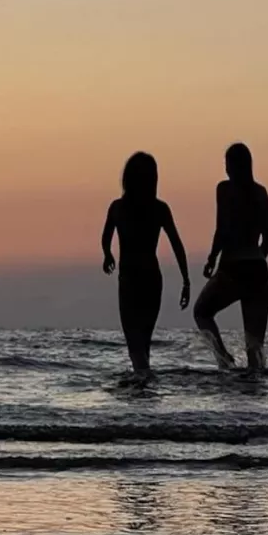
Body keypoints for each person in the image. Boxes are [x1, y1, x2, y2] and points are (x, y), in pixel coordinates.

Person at [102, 152, 191, 374]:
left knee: (135, 343)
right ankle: (145, 393)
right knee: (144, 342)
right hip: (152, 279)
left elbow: (105, 238)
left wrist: (108, 255)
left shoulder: (118, 207)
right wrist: (186, 280)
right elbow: (177, 246)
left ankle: (142, 386)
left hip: (131, 280)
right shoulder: (159, 208)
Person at [194, 143, 268, 370]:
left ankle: (223, 357)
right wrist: (256, 260)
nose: (225, 169)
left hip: (233, 266)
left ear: (232, 166)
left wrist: (212, 259)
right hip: (258, 269)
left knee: (201, 311)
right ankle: (256, 398)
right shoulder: (261, 193)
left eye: (227, 164)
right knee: (255, 347)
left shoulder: (225, 189)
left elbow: (222, 229)